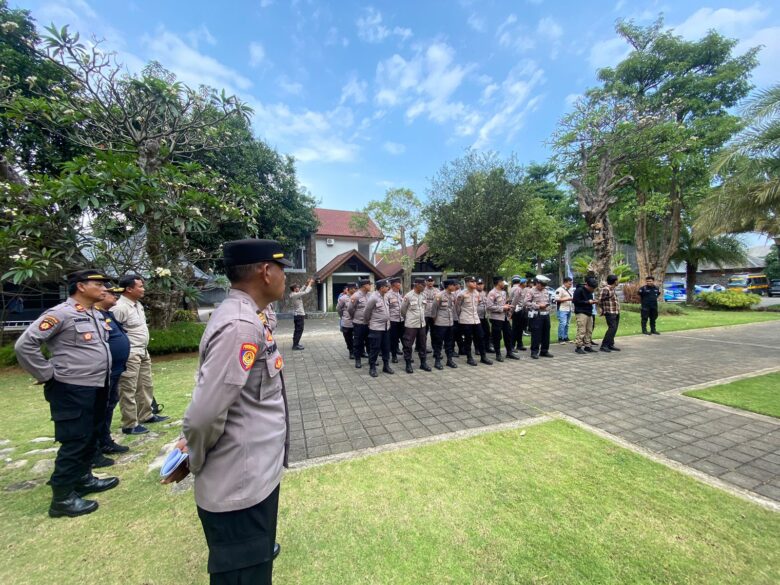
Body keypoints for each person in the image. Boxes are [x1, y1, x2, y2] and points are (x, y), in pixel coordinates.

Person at [170, 239, 291, 585]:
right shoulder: (241, 326)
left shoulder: (248, 316)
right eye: (281, 268)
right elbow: (203, 416)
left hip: (252, 475)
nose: (285, 277)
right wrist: (193, 455)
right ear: (266, 272)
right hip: (239, 484)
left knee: (254, 560)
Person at [15, 269, 119, 518]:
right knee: (75, 439)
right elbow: (25, 345)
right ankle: (61, 498)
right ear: (81, 287)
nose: (104, 288)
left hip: (96, 384)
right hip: (71, 387)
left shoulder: (94, 313)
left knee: (90, 434)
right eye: (98, 284)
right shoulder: (60, 313)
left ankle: (83, 479)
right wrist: (47, 374)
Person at [111, 274, 168, 435]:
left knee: (145, 384)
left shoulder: (138, 305)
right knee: (128, 387)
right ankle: (129, 423)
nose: (143, 289)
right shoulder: (120, 307)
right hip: (130, 353)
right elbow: (113, 332)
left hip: (142, 350)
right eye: (140, 286)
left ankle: (146, 414)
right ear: (129, 289)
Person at [93, 286, 131, 467]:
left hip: (115, 369)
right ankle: (94, 449)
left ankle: (105, 441)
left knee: (108, 406)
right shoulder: (92, 314)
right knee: (97, 409)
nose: (113, 295)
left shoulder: (106, 314)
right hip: (101, 372)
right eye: (109, 292)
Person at [455, 276, 493, 366]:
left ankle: (483, 357)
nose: (475, 283)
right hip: (466, 319)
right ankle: (469, 358)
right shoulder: (461, 294)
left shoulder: (476, 293)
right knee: (468, 339)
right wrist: (461, 317)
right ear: (467, 283)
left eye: (475, 281)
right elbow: (457, 308)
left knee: (481, 337)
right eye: (472, 282)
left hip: (476, 319)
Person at [400, 278, 431, 373]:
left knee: (422, 344)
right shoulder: (408, 296)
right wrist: (410, 318)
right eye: (423, 285)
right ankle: (408, 364)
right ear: (417, 284)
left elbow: (424, 308)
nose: (425, 287)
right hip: (411, 325)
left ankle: (423, 363)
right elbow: (403, 310)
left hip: (422, 324)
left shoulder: (424, 295)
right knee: (408, 345)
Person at [364, 279, 394, 378]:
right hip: (376, 327)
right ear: (381, 288)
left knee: (386, 348)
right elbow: (366, 312)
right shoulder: (373, 298)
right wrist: (369, 322)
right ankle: (372, 367)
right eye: (387, 286)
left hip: (386, 327)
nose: (388, 288)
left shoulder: (385, 296)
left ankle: (386, 366)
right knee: (375, 348)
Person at [487, 276, 518, 362]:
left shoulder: (503, 292)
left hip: (505, 317)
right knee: (497, 337)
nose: (504, 283)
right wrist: (502, 308)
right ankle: (498, 354)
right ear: (498, 282)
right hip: (496, 318)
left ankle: (509, 352)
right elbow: (489, 306)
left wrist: (507, 307)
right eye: (502, 282)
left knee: (508, 335)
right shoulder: (492, 293)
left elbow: (504, 304)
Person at [430, 279, 458, 370]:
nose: (455, 286)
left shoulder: (453, 295)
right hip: (440, 323)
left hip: (450, 323)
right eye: (453, 285)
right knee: (439, 342)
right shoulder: (439, 295)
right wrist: (436, 321)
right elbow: (434, 310)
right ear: (449, 286)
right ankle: (437, 361)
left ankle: (449, 360)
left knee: (449, 342)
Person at [525, 276, 554, 359]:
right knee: (536, 334)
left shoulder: (546, 290)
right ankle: (534, 352)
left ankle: (544, 351)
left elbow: (548, 301)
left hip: (546, 314)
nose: (543, 287)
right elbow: (526, 302)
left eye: (544, 285)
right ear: (537, 283)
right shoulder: (531, 291)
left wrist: (547, 307)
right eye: (542, 285)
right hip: (536, 315)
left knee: (546, 333)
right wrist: (538, 306)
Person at [348, 279, 372, 369]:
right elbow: (350, 309)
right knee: (358, 342)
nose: (370, 286)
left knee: (370, 342)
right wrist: (355, 317)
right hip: (359, 323)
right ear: (364, 286)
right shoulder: (356, 296)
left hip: (369, 323)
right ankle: (358, 360)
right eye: (369, 284)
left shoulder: (370, 295)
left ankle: (371, 359)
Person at [573, 277, 599, 354]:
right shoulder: (579, 290)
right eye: (591, 288)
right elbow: (575, 301)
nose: (592, 290)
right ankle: (578, 347)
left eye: (594, 288)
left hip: (589, 312)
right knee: (581, 330)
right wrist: (587, 302)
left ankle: (588, 346)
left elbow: (590, 300)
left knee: (589, 330)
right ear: (587, 285)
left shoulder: (590, 291)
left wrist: (593, 301)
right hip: (581, 312)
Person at [289, 277, 314, 350]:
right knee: (299, 330)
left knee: (298, 330)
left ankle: (296, 343)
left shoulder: (295, 294)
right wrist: (310, 284)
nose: (299, 288)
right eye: (297, 287)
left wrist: (306, 283)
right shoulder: (294, 295)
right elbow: (305, 292)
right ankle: (295, 345)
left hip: (298, 315)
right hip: (299, 315)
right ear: (294, 289)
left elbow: (301, 290)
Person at [599, 274, 621, 352]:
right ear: (615, 281)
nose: (618, 281)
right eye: (617, 280)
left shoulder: (613, 289)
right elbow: (600, 300)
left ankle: (610, 344)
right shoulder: (606, 289)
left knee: (614, 329)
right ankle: (604, 345)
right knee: (612, 328)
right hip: (610, 312)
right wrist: (602, 310)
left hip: (616, 311)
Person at [336, 283, 356, 358]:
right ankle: (351, 351)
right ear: (348, 289)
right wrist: (343, 316)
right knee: (348, 338)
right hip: (347, 322)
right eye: (353, 288)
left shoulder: (357, 297)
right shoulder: (343, 298)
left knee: (358, 337)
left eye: (355, 288)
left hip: (357, 321)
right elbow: (338, 309)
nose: (354, 290)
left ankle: (360, 351)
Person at [387, 277, 404, 363]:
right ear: (394, 284)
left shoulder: (399, 294)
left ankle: (407, 355)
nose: (400, 285)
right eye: (399, 283)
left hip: (401, 320)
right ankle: (394, 356)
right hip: (393, 320)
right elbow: (386, 309)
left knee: (404, 338)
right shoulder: (388, 295)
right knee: (393, 339)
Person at [509, 276, 527, 351]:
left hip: (517, 310)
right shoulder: (518, 289)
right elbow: (515, 301)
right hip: (517, 310)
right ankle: (512, 345)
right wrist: (511, 311)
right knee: (516, 329)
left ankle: (519, 344)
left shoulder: (512, 288)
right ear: (520, 282)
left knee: (518, 328)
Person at [554, 277, 575, 344]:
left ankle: (565, 337)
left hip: (569, 309)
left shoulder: (570, 290)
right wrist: (567, 299)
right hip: (562, 309)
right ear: (565, 282)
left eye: (571, 284)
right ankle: (560, 338)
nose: (570, 285)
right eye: (569, 284)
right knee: (562, 323)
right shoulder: (559, 290)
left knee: (567, 324)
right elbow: (556, 299)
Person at [475, 278, 493, 353]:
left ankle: (487, 346)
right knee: (478, 333)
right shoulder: (474, 293)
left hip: (484, 316)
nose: (480, 286)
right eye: (478, 284)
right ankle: (477, 348)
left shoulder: (485, 293)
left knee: (487, 332)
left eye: (481, 284)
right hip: (476, 316)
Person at [422, 276, 438, 348]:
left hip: (434, 314)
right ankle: (422, 347)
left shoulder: (437, 291)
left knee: (434, 332)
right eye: (428, 280)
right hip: (425, 314)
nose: (430, 282)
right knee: (423, 332)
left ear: (434, 282)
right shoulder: (422, 290)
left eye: (431, 280)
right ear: (426, 282)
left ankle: (435, 348)